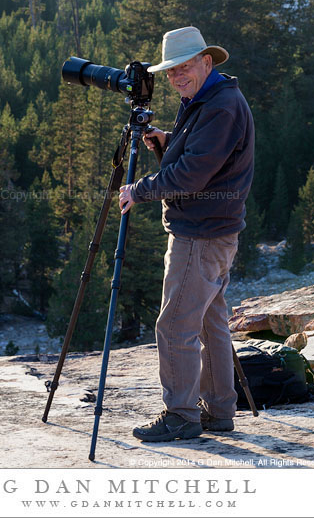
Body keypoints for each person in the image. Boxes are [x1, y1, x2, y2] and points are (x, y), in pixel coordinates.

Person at [118, 26, 255, 442]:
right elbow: (201, 153)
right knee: (212, 322)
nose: (177, 76)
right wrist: (166, 141)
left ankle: (180, 415)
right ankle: (218, 410)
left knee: (174, 325)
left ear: (207, 62)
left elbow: (194, 174)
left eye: (185, 67)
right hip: (215, 231)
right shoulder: (207, 99)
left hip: (200, 234)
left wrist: (138, 190)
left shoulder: (220, 106)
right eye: (171, 70)